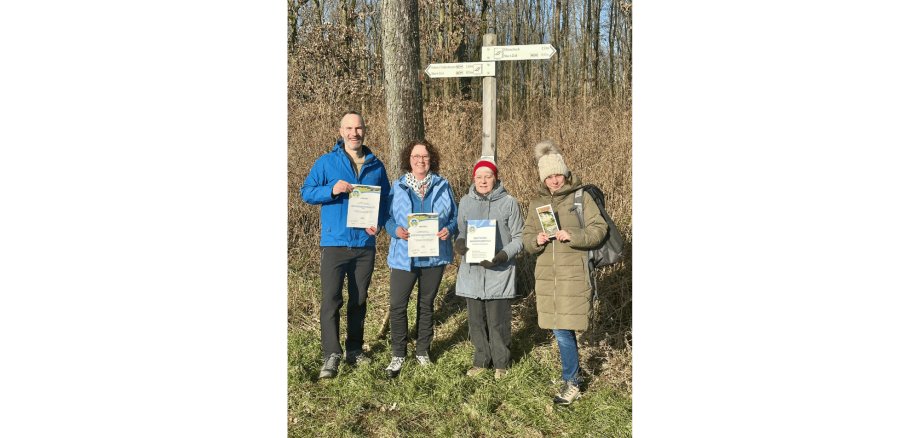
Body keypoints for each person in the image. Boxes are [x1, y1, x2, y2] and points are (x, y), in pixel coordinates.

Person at [300, 111, 390, 379]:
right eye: (349, 128)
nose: (354, 133)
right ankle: (331, 353)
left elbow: (385, 201)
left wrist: (380, 223)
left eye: (358, 128)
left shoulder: (376, 166)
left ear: (365, 130)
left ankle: (354, 349)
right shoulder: (327, 162)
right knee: (331, 300)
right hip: (335, 242)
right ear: (340, 131)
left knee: (359, 300)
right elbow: (306, 192)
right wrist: (331, 190)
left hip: (364, 245)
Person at [522, 140, 608, 405]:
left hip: (573, 274)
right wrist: (536, 240)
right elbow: (525, 239)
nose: (555, 180)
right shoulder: (536, 202)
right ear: (543, 178)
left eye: (558, 174)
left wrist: (574, 235)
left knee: (564, 329)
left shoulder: (581, 197)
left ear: (565, 172)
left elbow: (599, 229)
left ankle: (572, 381)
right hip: (548, 277)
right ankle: (572, 378)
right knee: (560, 329)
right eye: (549, 176)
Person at [382, 139, 458, 378]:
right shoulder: (398, 186)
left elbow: (455, 218)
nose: (420, 160)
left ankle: (423, 350)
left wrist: (450, 230)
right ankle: (398, 353)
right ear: (409, 160)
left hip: (434, 257)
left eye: (424, 156)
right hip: (404, 257)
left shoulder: (443, 185)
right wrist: (396, 231)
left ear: (431, 159)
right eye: (416, 157)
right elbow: (387, 217)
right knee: (397, 304)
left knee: (426, 305)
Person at [454, 159, 524, 379]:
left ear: (495, 178)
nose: (483, 181)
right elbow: (461, 232)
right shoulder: (465, 202)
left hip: (499, 271)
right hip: (472, 273)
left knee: (498, 321)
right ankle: (481, 360)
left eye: (488, 176)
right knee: (475, 321)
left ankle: (501, 363)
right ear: (473, 179)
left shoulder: (509, 202)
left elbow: (520, 237)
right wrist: (459, 244)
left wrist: (503, 255)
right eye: (479, 177)